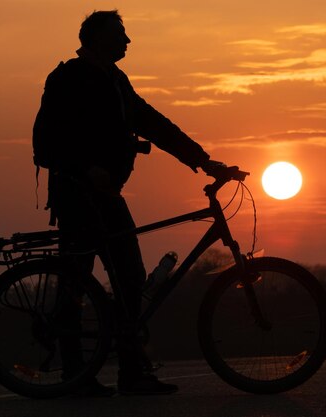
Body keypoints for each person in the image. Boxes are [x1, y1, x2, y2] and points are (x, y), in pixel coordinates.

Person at [32, 10, 222, 396]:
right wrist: (86, 170)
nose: (128, 41)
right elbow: (46, 143)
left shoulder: (115, 81)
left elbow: (151, 122)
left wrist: (201, 160)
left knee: (131, 279)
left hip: (107, 196)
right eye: (120, 34)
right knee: (76, 281)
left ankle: (132, 373)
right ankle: (76, 375)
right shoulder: (69, 78)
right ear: (97, 38)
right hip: (77, 195)